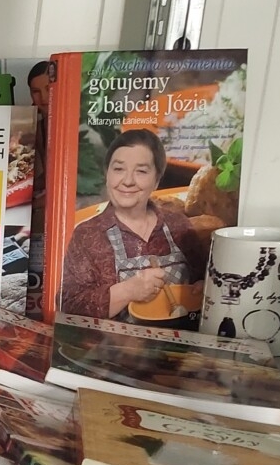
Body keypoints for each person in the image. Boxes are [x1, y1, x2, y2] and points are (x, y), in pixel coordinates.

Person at [57, 128, 207, 323]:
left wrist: (204, 289)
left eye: (141, 171)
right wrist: (127, 291)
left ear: (157, 180)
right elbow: (67, 306)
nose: (127, 181)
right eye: (118, 169)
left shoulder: (179, 225)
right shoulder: (87, 235)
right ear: (107, 174)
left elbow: (206, 279)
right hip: (115, 343)